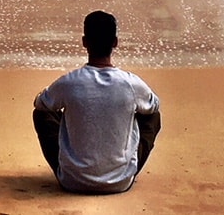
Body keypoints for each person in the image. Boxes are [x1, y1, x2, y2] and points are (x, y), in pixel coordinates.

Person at [32, 10, 162, 194]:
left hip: (72, 181)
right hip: (120, 182)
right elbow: (154, 105)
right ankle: (120, 166)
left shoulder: (69, 82)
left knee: (43, 114)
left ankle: (74, 166)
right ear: (115, 42)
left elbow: (40, 104)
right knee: (151, 116)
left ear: (84, 42)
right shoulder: (131, 83)